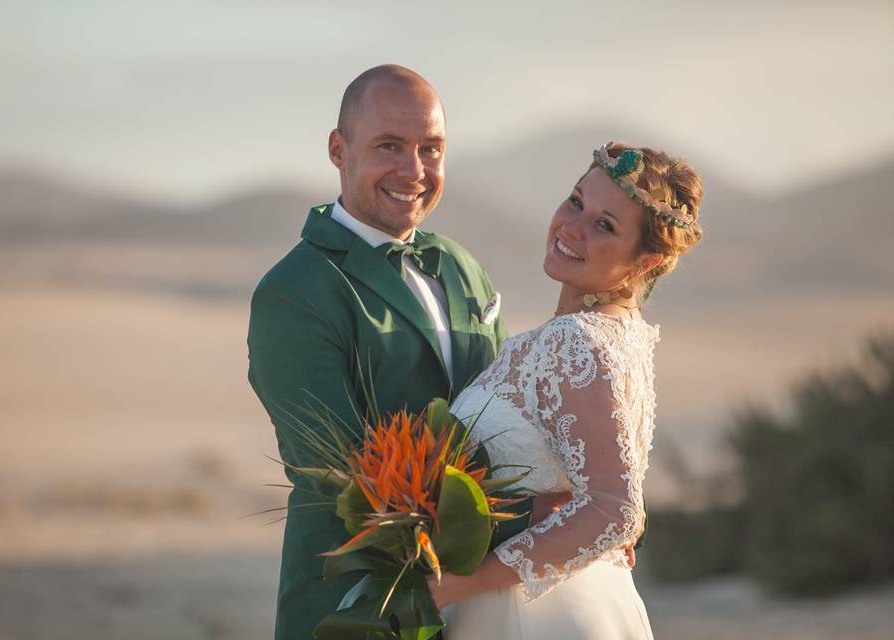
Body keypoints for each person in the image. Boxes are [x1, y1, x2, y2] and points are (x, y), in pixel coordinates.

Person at [247, 64, 518, 640]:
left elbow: (508, 418)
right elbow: (335, 468)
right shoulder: (294, 290)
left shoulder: (463, 266)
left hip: (484, 599)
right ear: (338, 150)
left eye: (432, 148)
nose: (414, 170)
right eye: (389, 146)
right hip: (356, 601)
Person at [433, 142, 704, 639]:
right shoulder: (619, 336)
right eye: (577, 202)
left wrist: (457, 585)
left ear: (644, 262)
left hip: (529, 614)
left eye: (605, 225)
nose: (572, 227)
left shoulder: (575, 340)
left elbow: (616, 511)